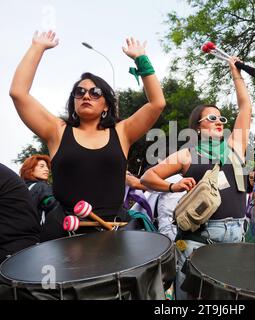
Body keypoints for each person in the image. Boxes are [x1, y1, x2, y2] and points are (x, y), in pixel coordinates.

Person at [10, 31, 166, 223]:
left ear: (106, 104)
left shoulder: (122, 132)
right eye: (80, 92)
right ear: (73, 101)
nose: (86, 96)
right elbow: (18, 93)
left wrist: (141, 59)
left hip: (114, 234)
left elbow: (157, 103)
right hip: (65, 235)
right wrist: (37, 47)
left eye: (95, 93)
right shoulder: (57, 131)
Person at [141, 57, 252, 299]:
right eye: (211, 118)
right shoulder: (187, 153)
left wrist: (236, 73)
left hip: (237, 231)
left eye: (221, 119)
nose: (219, 122)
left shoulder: (235, 146)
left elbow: (245, 107)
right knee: (189, 294)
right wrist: (173, 186)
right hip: (199, 236)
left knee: (228, 296)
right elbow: (147, 178)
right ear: (198, 127)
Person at [0, 163, 40, 263]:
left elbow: (50, 202)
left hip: (14, 245)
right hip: (26, 243)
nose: (47, 170)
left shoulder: (41, 187)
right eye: (41, 166)